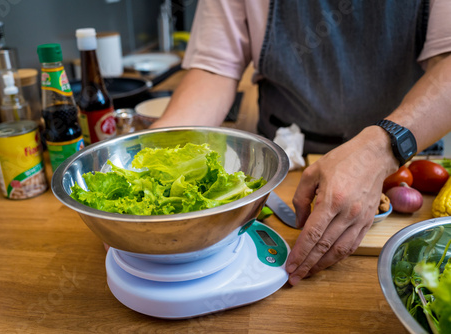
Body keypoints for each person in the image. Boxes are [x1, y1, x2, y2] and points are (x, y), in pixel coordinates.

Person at [151, 0, 451, 285]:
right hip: (290, 157)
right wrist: (156, 150)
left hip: (405, 151)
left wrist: (384, 146)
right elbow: (214, 67)